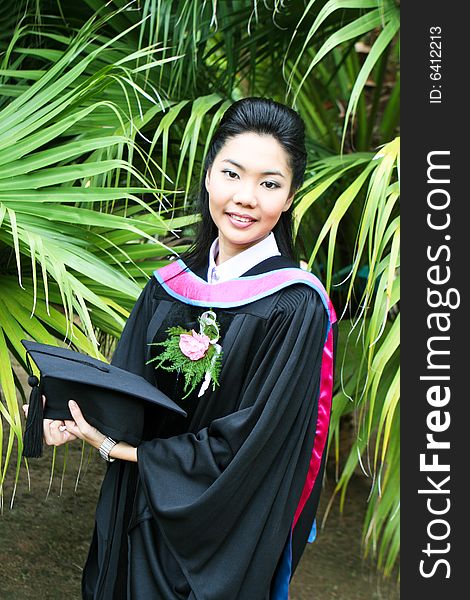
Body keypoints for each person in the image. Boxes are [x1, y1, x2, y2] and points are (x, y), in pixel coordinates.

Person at [39, 97, 337, 599]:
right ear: (208, 176)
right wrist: (71, 413)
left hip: (219, 530)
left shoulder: (294, 304)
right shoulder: (171, 283)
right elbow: (129, 383)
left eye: (269, 184)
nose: (245, 197)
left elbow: (254, 443)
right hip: (138, 500)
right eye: (232, 174)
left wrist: (125, 450)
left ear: (289, 198)